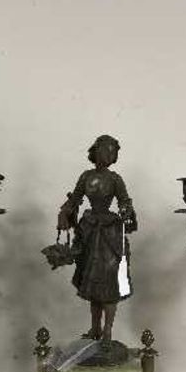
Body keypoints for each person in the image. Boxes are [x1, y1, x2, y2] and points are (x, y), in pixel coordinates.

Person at [57, 135, 137, 346]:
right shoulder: (86, 176)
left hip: (109, 233)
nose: (108, 155)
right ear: (96, 151)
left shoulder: (115, 179)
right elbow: (74, 199)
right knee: (92, 282)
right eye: (105, 150)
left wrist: (126, 211)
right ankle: (95, 328)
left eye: (112, 152)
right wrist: (64, 212)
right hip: (90, 230)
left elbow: (125, 201)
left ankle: (108, 331)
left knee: (109, 283)